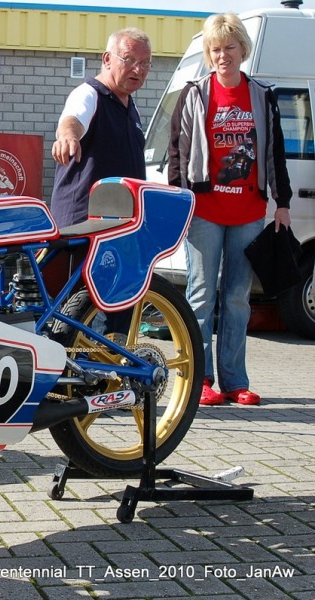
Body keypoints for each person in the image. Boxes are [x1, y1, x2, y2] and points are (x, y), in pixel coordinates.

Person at [168, 13, 292, 407]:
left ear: (242, 49)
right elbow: (177, 152)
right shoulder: (195, 94)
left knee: (237, 299)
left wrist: (282, 202)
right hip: (204, 210)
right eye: (216, 49)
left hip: (249, 212)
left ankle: (235, 381)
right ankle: (199, 379)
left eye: (230, 47)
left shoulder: (261, 95)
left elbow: (275, 152)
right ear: (209, 53)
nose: (223, 55)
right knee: (201, 296)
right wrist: (178, 200)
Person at [50, 27, 152, 228]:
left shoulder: (131, 108)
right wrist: (68, 137)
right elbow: (72, 119)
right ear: (107, 59)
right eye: (129, 60)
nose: (138, 70)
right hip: (82, 227)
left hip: (120, 226)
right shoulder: (88, 94)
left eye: (145, 63)